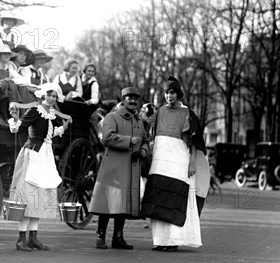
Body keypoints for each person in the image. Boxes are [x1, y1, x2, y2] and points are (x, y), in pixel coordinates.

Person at [141, 76, 209, 252]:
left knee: (177, 198)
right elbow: (147, 131)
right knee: (159, 197)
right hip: (160, 162)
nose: (169, 96)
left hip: (179, 161)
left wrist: (192, 162)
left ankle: (174, 240)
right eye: (166, 93)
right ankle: (161, 240)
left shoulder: (188, 113)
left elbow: (194, 141)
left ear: (178, 94)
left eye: (172, 92)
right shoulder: (160, 112)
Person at [8, 83, 70, 251]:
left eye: (54, 96)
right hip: (33, 156)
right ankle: (21, 239)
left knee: (40, 195)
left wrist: (62, 128)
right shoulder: (35, 111)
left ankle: (33, 237)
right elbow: (17, 128)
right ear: (42, 95)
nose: (51, 98)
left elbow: (48, 135)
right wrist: (14, 118)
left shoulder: (50, 114)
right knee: (28, 197)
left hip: (45, 156)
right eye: (49, 95)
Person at [89, 87, 149, 250]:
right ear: (123, 100)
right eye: (129, 98)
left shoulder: (139, 121)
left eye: (135, 98)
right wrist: (128, 140)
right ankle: (100, 237)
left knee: (123, 204)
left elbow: (145, 140)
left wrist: (143, 150)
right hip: (113, 167)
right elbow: (107, 138)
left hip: (130, 167)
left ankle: (118, 237)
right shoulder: (112, 117)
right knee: (106, 203)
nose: (133, 101)